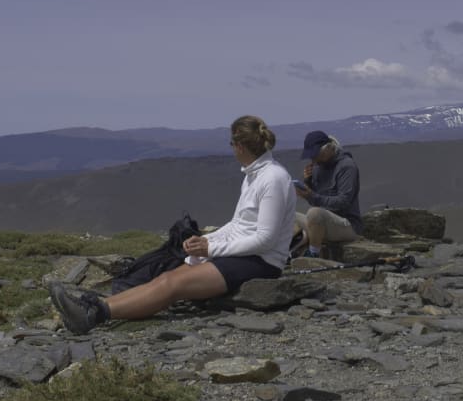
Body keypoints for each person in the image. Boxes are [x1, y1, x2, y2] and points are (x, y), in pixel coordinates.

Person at [49, 115, 298, 335]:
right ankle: (93, 306)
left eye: (232, 144)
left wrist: (211, 250)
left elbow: (266, 239)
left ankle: (94, 316)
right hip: (242, 254)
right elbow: (240, 223)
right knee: (168, 275)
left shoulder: (273, 179)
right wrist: (206, 240)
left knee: (173, 285)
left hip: (261, 263)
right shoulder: (253, 175)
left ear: (240, 145)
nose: (232, 150)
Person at [294, 130, 362, 258]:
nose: (313, 159)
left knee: (314, 213)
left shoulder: (347, 166)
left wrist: (311, 195)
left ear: (328, 148)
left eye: (315, 155)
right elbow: (317, 200)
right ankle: (292, 251)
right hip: (323, 224)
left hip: (347, 225)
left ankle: (314, 254)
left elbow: (343, 202)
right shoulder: (318, 167)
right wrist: (308, 183)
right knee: (288, 215)